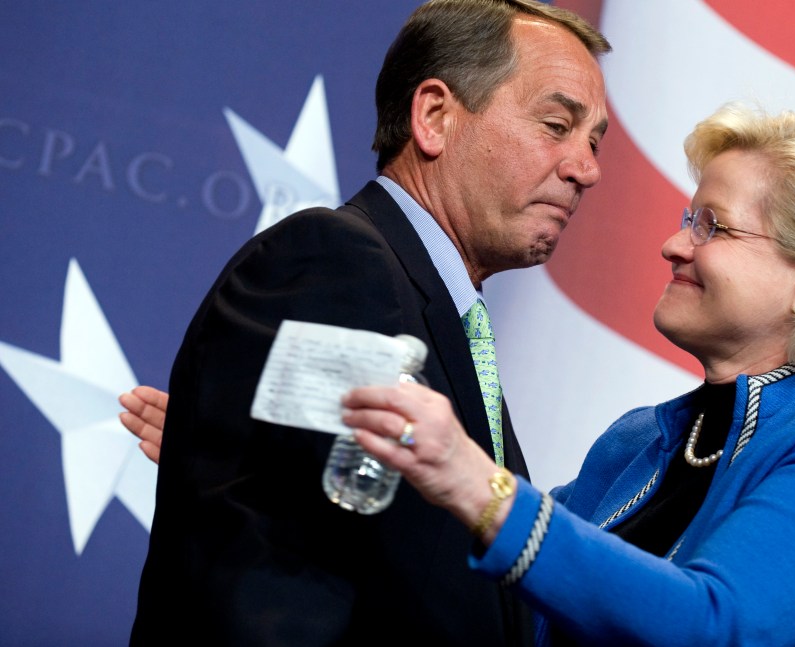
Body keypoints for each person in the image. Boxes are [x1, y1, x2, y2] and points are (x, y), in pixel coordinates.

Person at [338, 104, 795, 645]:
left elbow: (714, 625)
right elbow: (505, 603)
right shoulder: (636, 441)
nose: (674, 244)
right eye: (687, 218)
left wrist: (477, 484)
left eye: (712, 225)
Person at [129, 1, 609, 645]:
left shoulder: (447, 313)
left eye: (594, 140)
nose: (587, 168)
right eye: (556, 125)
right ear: (434, 117)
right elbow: (275, 567)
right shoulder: (337, 266)